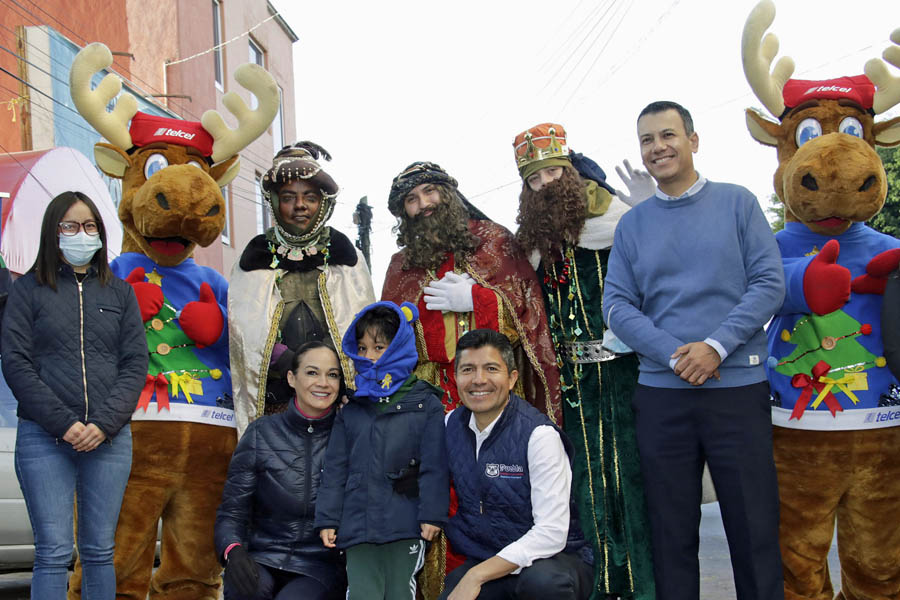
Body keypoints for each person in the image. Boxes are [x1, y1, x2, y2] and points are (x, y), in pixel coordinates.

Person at [602, 101, 786, 600]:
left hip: (737, 387)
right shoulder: (634, 226)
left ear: (693, 140)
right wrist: (675, 354)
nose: (657, 147)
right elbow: (616, 305)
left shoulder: (737, 203)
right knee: (670, 532)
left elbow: (769, 283)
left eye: (668, 135)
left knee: (754, 529)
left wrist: (715, 347)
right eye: (646, 140)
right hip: (663, 396)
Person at [512, 122, 655, 600]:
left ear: (569, 170)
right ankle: (598, 587)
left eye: (553, 172)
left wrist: (652, 211)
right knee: (582, 483)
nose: (545, 185)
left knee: (631, 477)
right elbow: (516, 299)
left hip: (625, 371)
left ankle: (642, 585)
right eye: (534, 180)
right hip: (570, 383)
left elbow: (662, 278)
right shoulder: (535, 242)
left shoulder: (620, 217)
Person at [1, 191, 147, 599]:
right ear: (53, 232)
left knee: (100, 551)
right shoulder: (27, 291)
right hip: (43, 439)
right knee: (53, 552)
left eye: (89, 226)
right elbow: (16, 363)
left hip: (109, 439)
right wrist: (65, 424)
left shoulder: (119, 293)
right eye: (70, 226)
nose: (80, 234)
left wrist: (102, 423)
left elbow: (135, 364)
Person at [381, 161, 561, 423]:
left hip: (494, 387)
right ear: (404, 212)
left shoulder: (494, 240)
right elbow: (389, 342)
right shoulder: (401, 266)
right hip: (431, 400)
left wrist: (479, 300)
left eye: (429, 191)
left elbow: (529, 316)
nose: (423, 204)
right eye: (412, 199)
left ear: (448, 193)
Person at [230, 142, 375, 435]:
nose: (300, 206)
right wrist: (288, 361)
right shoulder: (254, 256)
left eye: (309, 197)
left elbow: (364, 328)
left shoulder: (345, 255)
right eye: (288, 197)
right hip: (277, 398)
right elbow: (244, 335)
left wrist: (330, 368)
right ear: (274, 201)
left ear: (322, 202)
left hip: (335, 395)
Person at [439, 329, 592, 600]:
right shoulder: (450, 424)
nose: (479, 380)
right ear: (456, 378)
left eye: (491, 368)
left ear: (511, 379)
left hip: (554, 560)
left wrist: (476, 575)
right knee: (452, 591)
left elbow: (551, 533)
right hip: (490, 558)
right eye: (468, 369)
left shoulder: (539, 436)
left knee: (543, 584)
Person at [314, 301, 449, 600]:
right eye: (361, 349)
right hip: (357, 524)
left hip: (406, 522)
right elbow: (335, 469)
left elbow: (435, 465)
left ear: (399, 347)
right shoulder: (352, 408)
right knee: (362, 593)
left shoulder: (426, 403)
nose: (368, 356)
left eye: (378, 347)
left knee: (400, 592)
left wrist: (432, 514)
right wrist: (327, 519)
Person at [215, 341, 347, 600]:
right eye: (312, 372)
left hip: (320, 566)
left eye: (332, 374)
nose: (323, 382)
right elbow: (231, 512)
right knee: (246, 591)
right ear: (291, 378)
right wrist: (233, 550)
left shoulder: (350, 434)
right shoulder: (261, 433)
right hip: (263, 556)